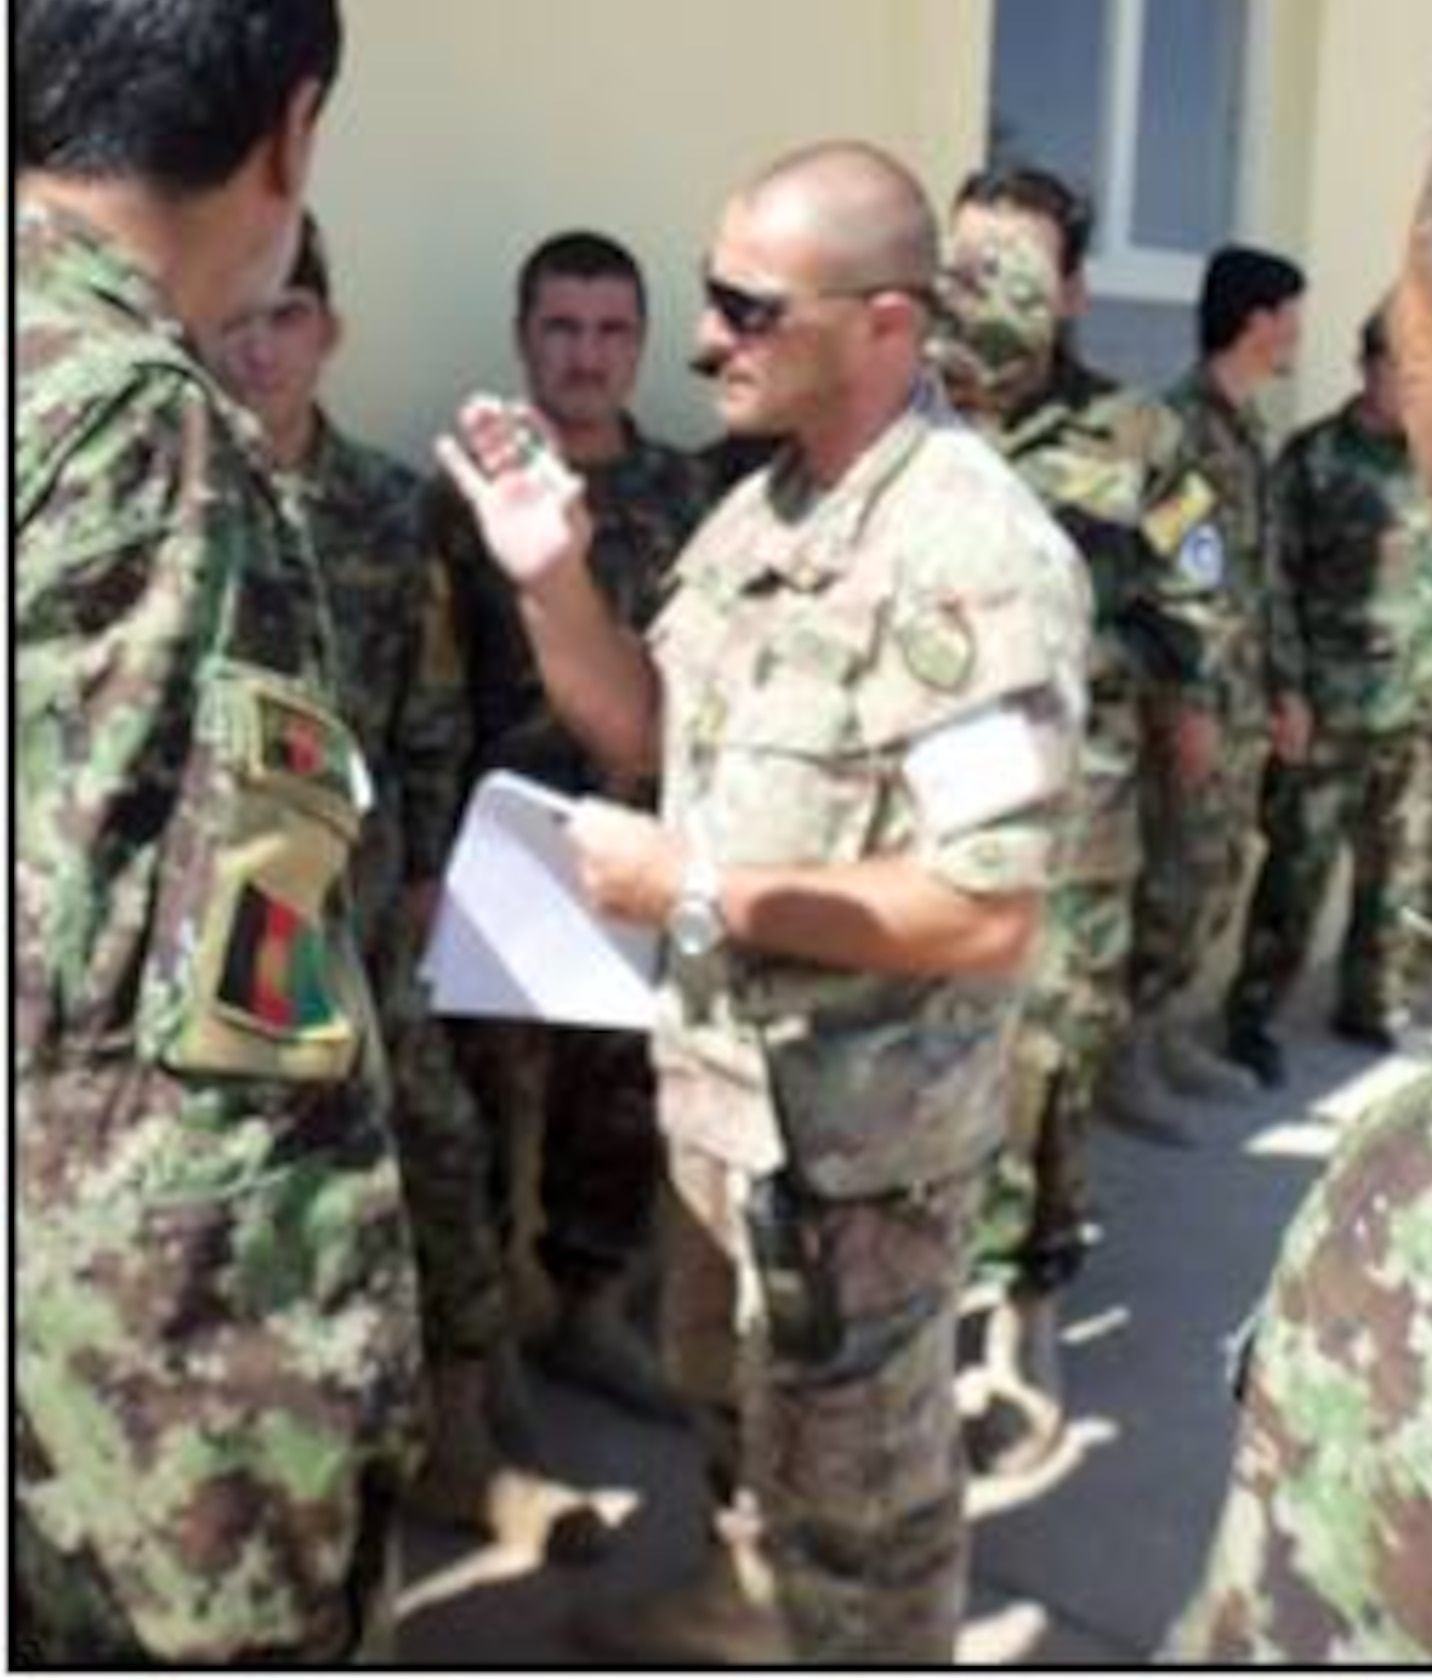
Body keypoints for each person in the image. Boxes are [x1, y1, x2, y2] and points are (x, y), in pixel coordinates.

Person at [437, 141, 1090, 1663]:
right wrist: (548, 577)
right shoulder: (757, 514)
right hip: (723, 1099)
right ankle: (745, 1607)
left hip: (856, 1149)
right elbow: (641, 731)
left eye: (746, 306)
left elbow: (984, 913)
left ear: (884, 323)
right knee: (735, 1414)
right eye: (710, 296)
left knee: (863, 1508)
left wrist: (702, 885)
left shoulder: (974, 554)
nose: (703, 337)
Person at [15, 0, 423, 1665]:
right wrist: (293, 1432)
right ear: (292, 129)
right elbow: (226, 1025)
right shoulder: (152, 442)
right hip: (106, 1404)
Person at [1166, 32, 1432, 1668]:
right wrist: (1277, 690)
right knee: (1276, 891)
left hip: (1413, 705)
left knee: (1394, 883)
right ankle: (1235, 1020)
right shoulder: (1272, 456)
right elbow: (1256, 585)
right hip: (1307, 707)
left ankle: (1359, 1002)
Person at [203, 214, 603, 1550]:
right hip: (227, 913)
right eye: (238, 322)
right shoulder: (178, 499)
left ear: (330, 331)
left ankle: (460, 1420)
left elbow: (430, 705)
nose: (262, 350)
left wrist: (430, 865)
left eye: (289, 318)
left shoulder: (382, 505)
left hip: (367, 896)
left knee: (436, 1143)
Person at [936, 166, 1228, 1470]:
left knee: (1045, 1058)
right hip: (903, 801)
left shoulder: (1132, 437)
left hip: (1068, 803)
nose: (983, 287)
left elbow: (1196, 593)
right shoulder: (894, 409)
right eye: (966, 259)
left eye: (1014, 264)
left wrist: (1168, 695)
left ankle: (1024, 1303)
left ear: (1068, 291)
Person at [438, 229, 711, 1419]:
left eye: (610, 330)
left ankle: (590, 1308)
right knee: (485, 1100)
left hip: (643, 843)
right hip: (505, 847)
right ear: (521, 337)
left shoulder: (690, 496)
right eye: (560, 327)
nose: (585, 354)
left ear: (640, 344)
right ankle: (490, 1333)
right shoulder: (464, 503)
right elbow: (430, 682)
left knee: (621, 1090)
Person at [1221, 307, 1432, 1085]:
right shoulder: (1312, 462)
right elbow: (1271, 587)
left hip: (1430, 711)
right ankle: (1251, 1017)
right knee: (1296, 871)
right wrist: (1288, 692)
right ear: (1367, 367)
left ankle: (1376, 1005)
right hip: (1334, 708)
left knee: (1408, 869)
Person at [1125, 245, 1308, 1117]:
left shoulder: (1247, 428)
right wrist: (1186, 702)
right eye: (1289, 315)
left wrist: (1286, 689)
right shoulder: (1177, 429)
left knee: (1215, 878)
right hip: (1197, 704)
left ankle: (1166, 1033)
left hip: (1243, 702)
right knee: (1169, 879)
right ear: (1255, 320)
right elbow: (1162, 578)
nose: (1297, 332)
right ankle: (1125, 1058)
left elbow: (1261, 578)